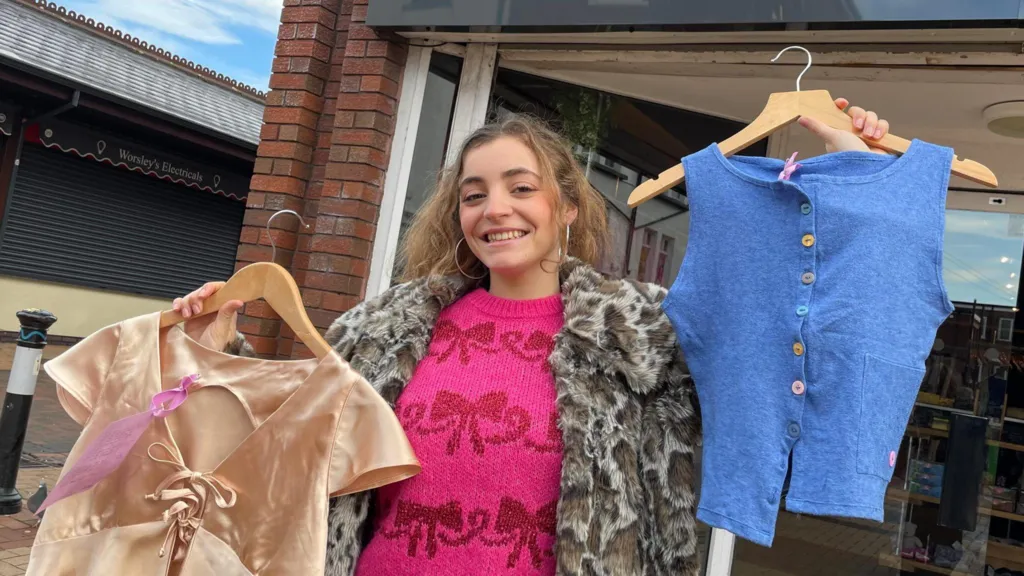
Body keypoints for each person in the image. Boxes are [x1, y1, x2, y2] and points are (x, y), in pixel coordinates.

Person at [173, 99, 892, 576]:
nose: (496, 209)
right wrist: (215, 351)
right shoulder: (388, 329)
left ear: (568, 206)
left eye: (521, 187)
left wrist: (857, 175)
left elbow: (803, 373)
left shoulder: (644, 336)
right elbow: (286, 447)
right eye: (474, 192)